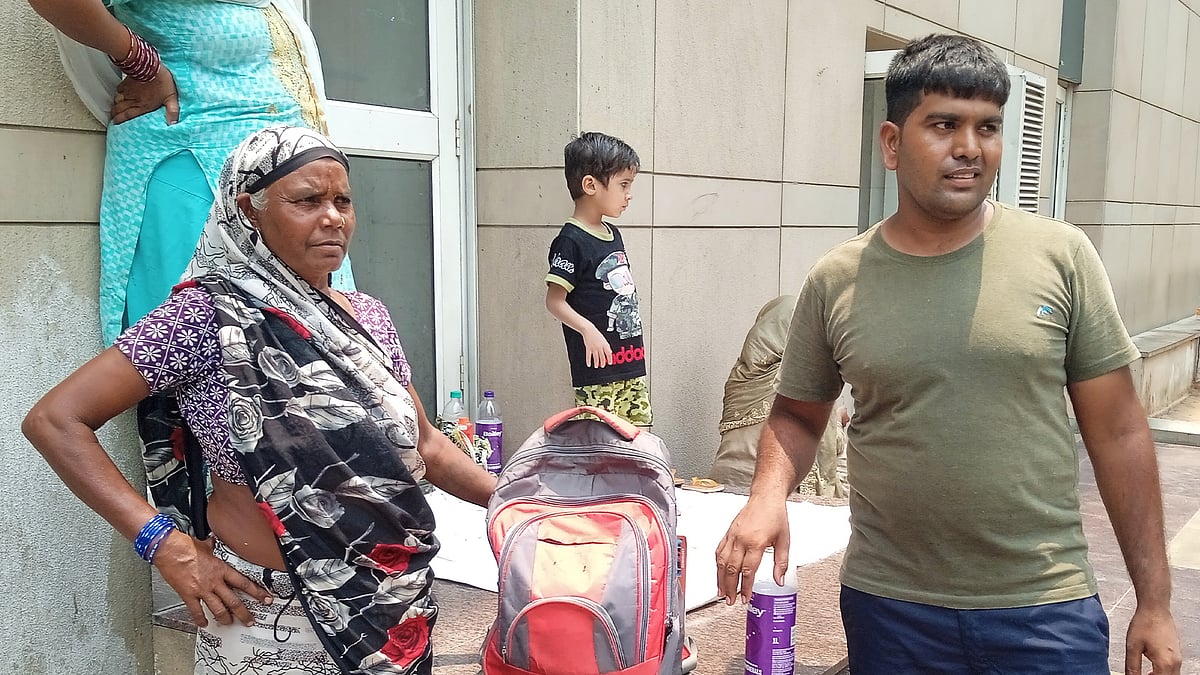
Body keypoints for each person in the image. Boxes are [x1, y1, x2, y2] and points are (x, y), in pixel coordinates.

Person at [715, 34, 1181, 675]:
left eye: (988, 127)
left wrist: (1154, 601)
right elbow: (797, 412)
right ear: (891, 143)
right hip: (891, 608)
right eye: (944, 125)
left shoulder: (1061, 257)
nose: (970, 147)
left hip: (1043, 604)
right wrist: (767, 495)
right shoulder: (838, 278)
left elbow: (1120, 431)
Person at [23, 126, 496, 674]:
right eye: (308, 201)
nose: (333, 218)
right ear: (249, 210)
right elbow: (55, 419)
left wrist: (526, 502)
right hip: (265, 615)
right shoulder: (205, 316)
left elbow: (427, 445)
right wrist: (166, 545)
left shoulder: (366, 317)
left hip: (391, 605)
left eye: (343, 201)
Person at [29, 0, 354, 347]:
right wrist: (142, 63)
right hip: (198, 178)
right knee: (204, 347)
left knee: (321, 353)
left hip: (293, 195)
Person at [544, 132, 651, 426]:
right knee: (600, 440)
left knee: (637, 437)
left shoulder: (613, 234)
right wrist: (587, 329)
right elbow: (554, 301)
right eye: (623, 184)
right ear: (590, 185)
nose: (629, 194)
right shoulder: (570, 241)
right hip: (597, 373)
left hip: (630, 363)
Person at [709, 294, 847, 497]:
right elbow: (820, 438)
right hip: (774, 495)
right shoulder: (803, 378)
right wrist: (837, 422)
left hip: (724, 485)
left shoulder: (741, 377)